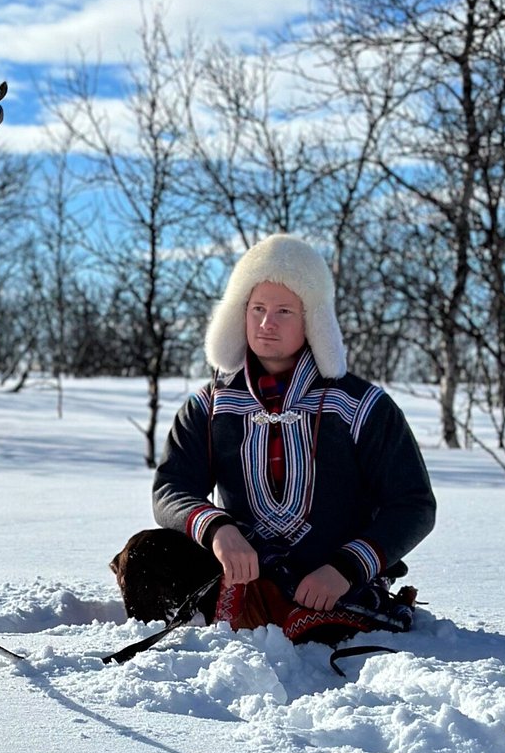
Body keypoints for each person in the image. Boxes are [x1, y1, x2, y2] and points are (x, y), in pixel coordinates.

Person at [111, 234, 436, 646]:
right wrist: (218, 531)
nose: (267, 324)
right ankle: (192, 649)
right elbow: (172, 488)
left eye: (284, 311)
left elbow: (413, 505)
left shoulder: (363, 406)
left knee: (328, 625)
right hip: (236, 570)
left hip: (331, 580)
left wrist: (346, 568)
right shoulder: (209, 405)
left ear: (312, 319)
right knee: (146, 555)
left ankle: (288, 621)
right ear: (239, 313)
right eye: (258, 309)